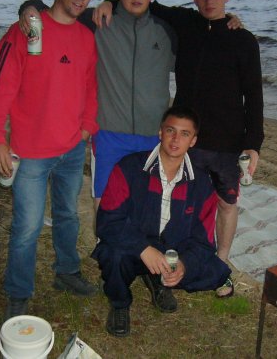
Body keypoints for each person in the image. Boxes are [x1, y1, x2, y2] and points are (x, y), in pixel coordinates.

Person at [94, 0, 264, 297]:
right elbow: (143, 3)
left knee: (226, 203)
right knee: (178, 203)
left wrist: (253, 144)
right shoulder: (185, 25)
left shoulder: (243, 40)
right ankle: (164, 262)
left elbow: (254, 96)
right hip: (187, 140)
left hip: (228, 143)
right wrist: (110, 2)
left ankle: (220, 264)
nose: (209, 1)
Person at [0, 0, 103, 320]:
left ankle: (67, 272)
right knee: (27, 227)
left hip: (71, 149)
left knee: (67, 216)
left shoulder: (86, 38)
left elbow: (91, 86)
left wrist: (87, 126)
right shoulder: (28, 30)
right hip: (30, 152)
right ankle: (18, 291)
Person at [18, 0, 176, 210]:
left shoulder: (166, 32)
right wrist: (29, 8)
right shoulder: (97, 22)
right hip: (109, 134)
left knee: (147, 209)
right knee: (105, 209)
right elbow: (57, 12)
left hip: (153, 137)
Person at [92, 106, 231, 337]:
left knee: (216, 270)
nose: (176, 139)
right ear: (160, 132)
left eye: (184, 134)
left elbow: (204, 242)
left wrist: (184, 264)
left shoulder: (202, 184)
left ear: (193, 141)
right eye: (170, 130)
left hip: (171, 252)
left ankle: (159, 280)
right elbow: (107, 221)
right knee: (111, 253)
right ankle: (119, 304)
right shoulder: (129, 167)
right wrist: (143, 249)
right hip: (135, 249)